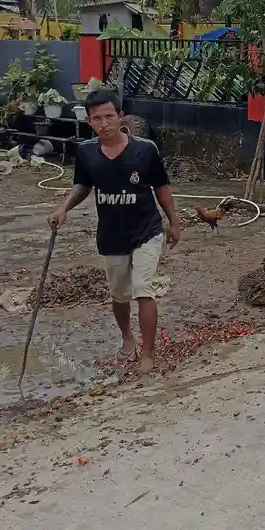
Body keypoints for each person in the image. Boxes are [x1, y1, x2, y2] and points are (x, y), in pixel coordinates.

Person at [48, 90, 182, 373]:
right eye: (97, 118)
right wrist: (63, 209)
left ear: (121, 117)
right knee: (119, 295)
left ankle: (148, 353)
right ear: (89, 121)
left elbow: (161, 187)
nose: (105, 123)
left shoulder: (145, 150)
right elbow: (82, 186)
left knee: (143, 290)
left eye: (110, 116)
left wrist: (174, 221)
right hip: (111, 236)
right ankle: (127, 337)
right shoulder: (86, 152)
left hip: (147, 230)